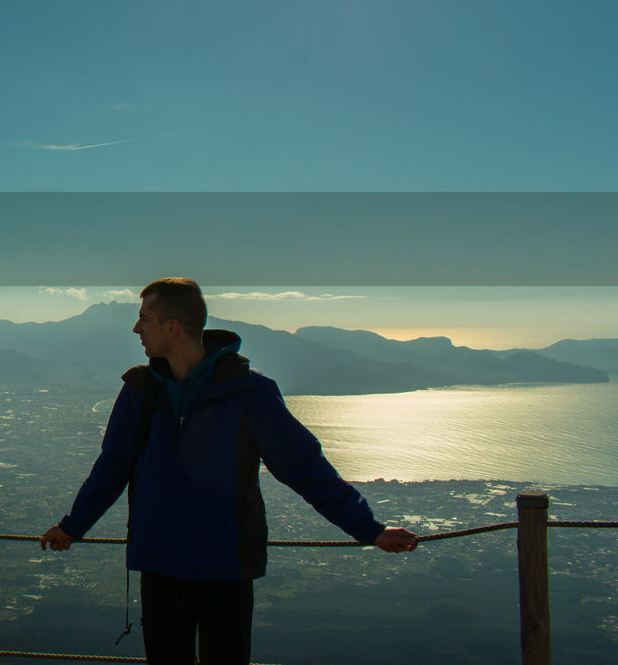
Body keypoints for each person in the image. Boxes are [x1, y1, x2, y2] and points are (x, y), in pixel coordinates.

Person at [39, 277, 418, 665]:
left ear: (173, 326)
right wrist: (73, 526)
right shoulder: (141, 390)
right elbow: (113, 465)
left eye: (144, 319)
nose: (137, 328)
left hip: (225, 570)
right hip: (160, 570)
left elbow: (305, 468)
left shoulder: (249, 393)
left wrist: (370, 529)